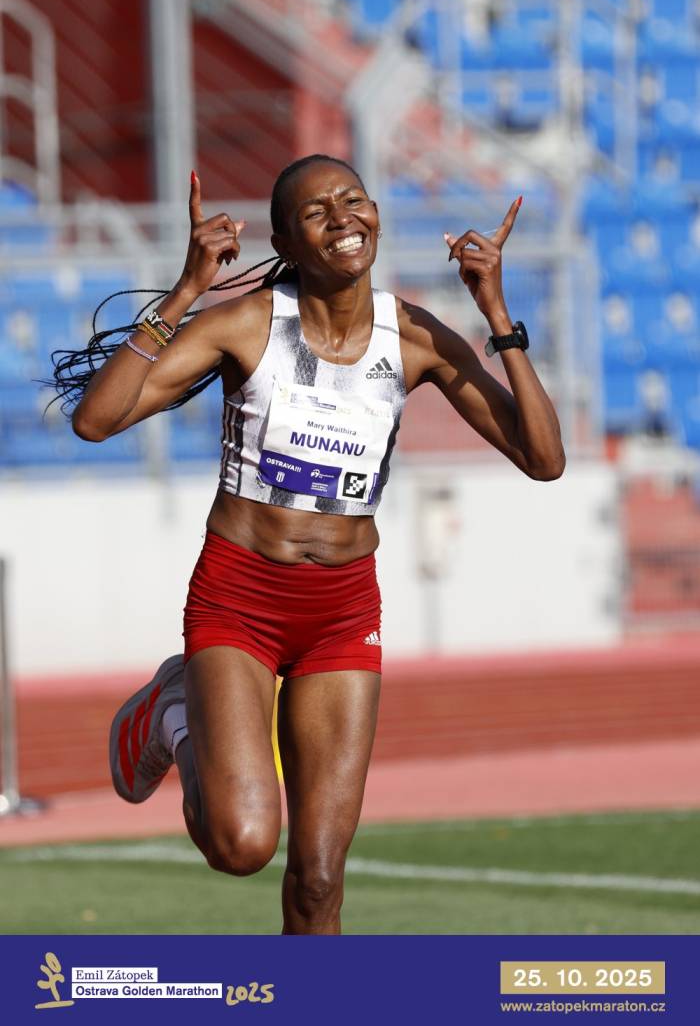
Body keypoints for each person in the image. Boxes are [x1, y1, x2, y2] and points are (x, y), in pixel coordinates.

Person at [58, 154, 565, 935]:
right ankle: (172, 714)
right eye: (316, 211)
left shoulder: (417, 336)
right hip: (240, 598)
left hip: (341, 611)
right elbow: (96, 419)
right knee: (241, 844)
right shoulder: (246, 324)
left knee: (320, 880)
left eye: (353, 200)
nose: (342, 218)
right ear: (286, 244)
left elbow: (544, 459)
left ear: (376, 216)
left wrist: (498, 316)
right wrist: (187, 291)